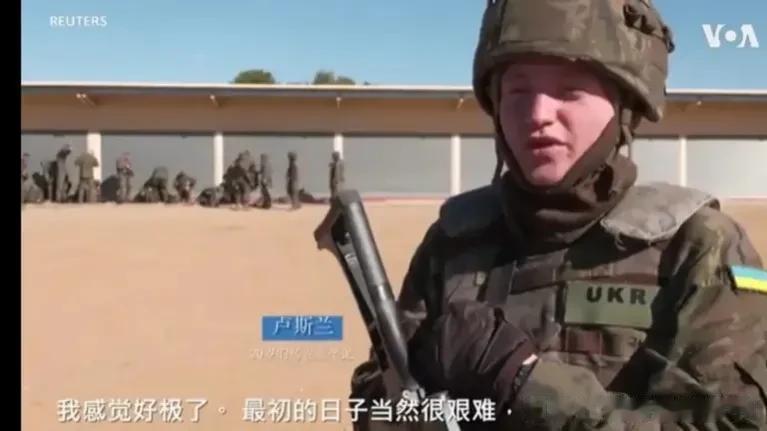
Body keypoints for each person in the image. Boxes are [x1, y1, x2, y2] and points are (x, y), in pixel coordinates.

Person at [349, 1, 767, 429]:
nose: (538, 116)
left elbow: (728, 423)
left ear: (624, 104)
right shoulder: (454, 241)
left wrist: (523, 379)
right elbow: (373, 402)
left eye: (570, 91)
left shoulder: (699, 246)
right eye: (518, 91)